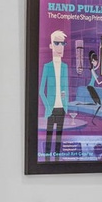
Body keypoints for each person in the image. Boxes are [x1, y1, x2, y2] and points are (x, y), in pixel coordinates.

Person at [39, 30, 70, 159]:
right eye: (56, 43)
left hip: (61, 108)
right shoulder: (47, 67)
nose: (60, 47)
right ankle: (46, 159)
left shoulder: (65, 67)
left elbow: (66, 88)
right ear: (51, 46)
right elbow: (41, 90)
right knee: (49, 135)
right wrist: (47, 107)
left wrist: (66, 106)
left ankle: (57, 160)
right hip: (51, 109)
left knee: (59, 137)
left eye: (62, 43)